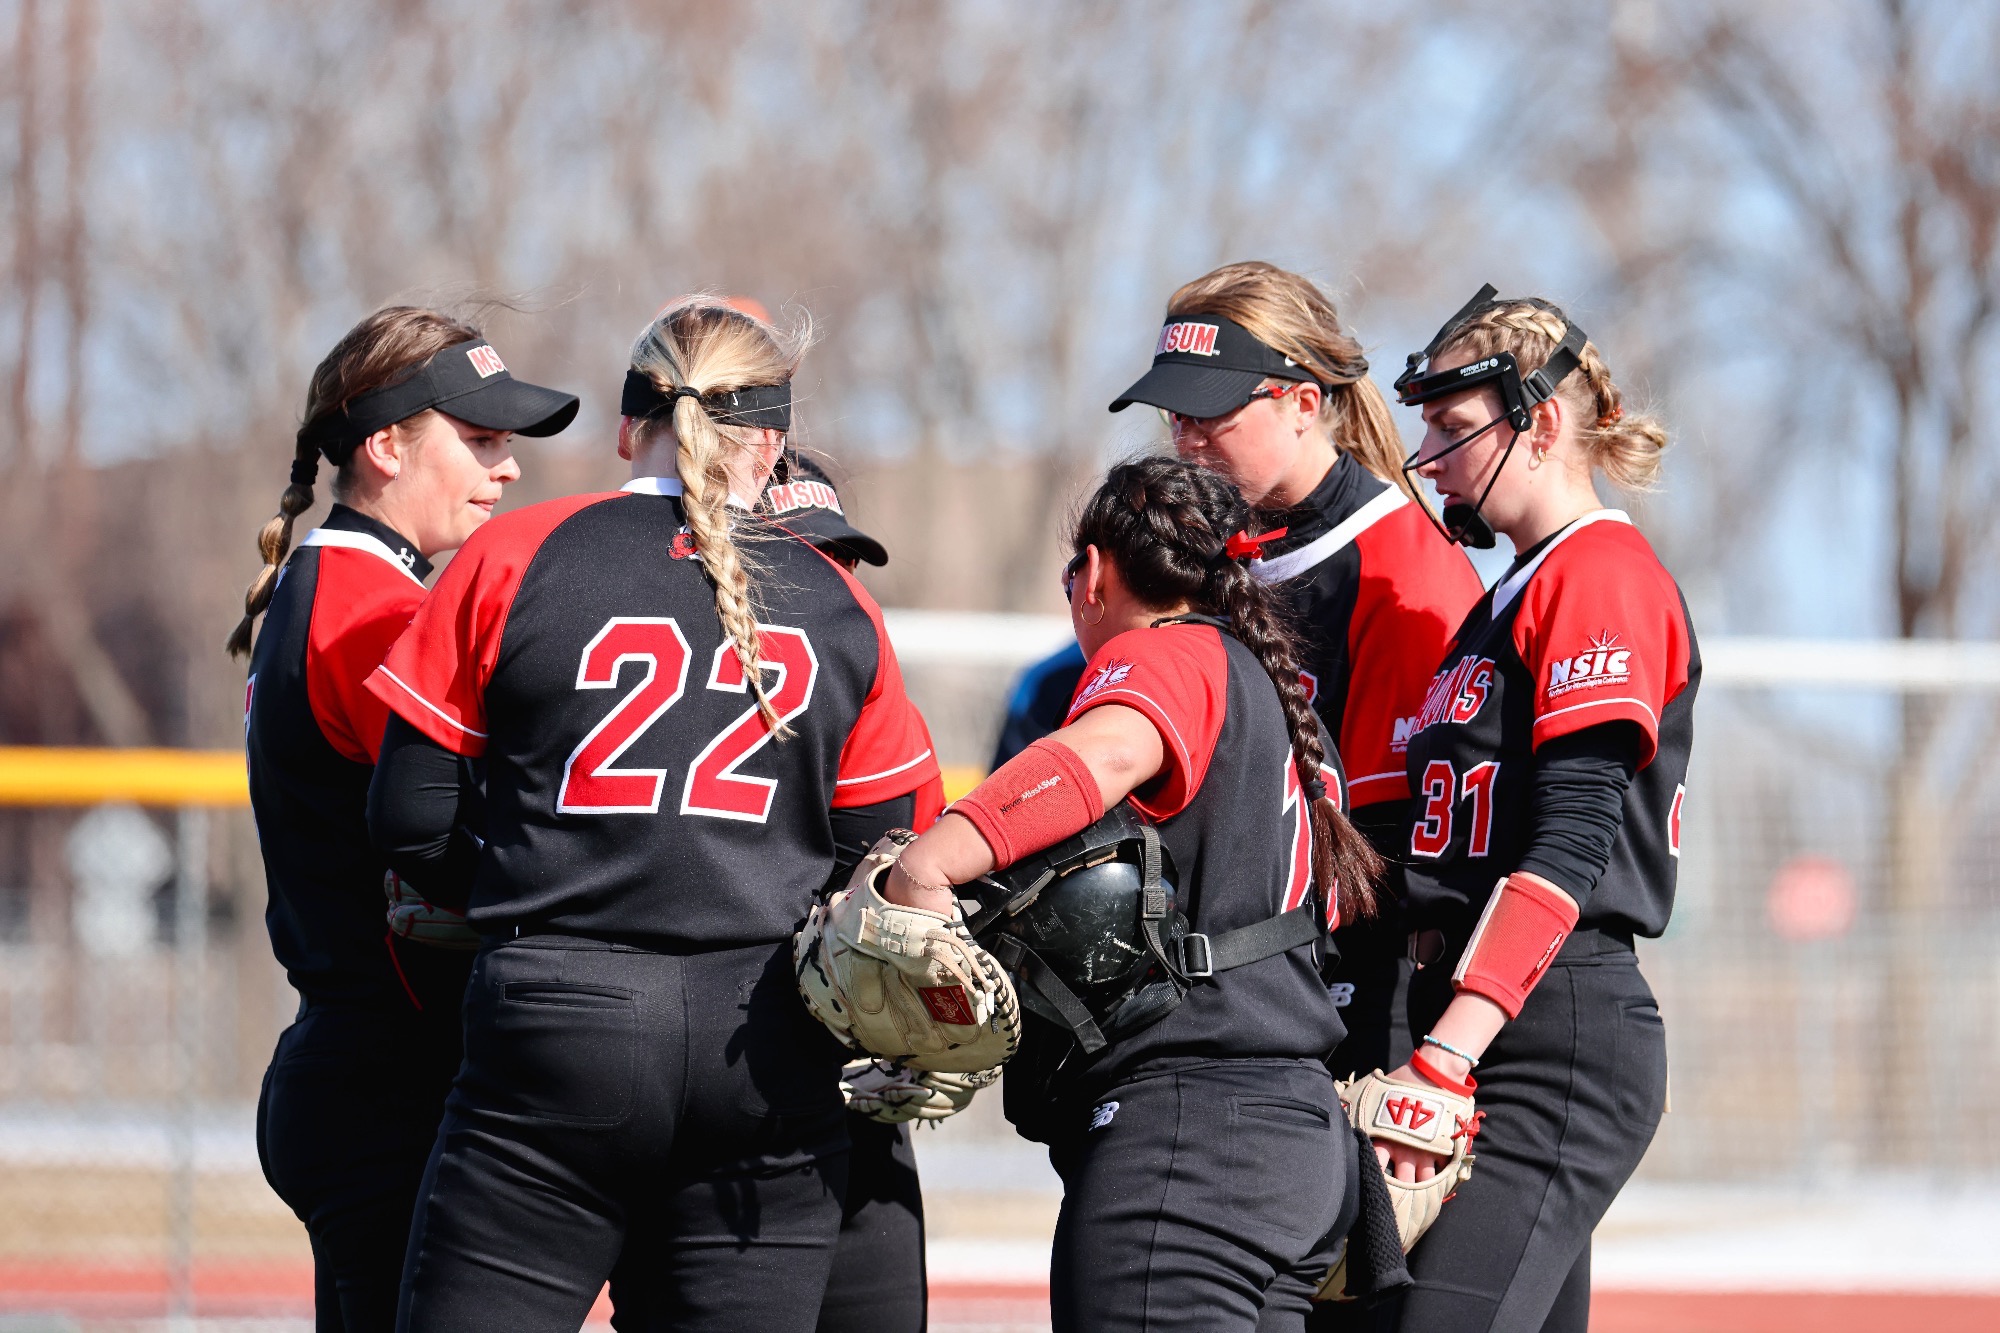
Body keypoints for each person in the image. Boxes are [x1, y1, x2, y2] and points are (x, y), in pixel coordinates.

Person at [363, 297, 943, 1332]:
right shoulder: (835, 598)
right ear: (768, 444)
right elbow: (878, 858)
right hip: (763, 1042)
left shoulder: (516, 553)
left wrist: (533, 899)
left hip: (559, 1013)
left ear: (628, 424)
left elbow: (410, 818)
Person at [881, 456, 1384, 1333]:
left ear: (1098, 569)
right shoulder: (1269, 688)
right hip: (1293, 1131)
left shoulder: (1170, 653)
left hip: (1191, 1143)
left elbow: (1106, 753)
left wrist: (927, 866)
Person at [235, 308, 578, 1333]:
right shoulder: (369, 607)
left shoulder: (339, 584)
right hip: (386, 1074)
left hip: (355, 1068)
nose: (504, 468)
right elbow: (471, 822)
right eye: (477, 440)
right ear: (386, 445)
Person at [1361, 289, 1697, 1332]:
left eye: (1454, 428)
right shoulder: (1509, 588)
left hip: (1544, 1022)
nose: (1428, 454)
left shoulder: (1595, 570)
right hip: (1493, 1011)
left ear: (1540, 421)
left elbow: (1572, 840)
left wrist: (1449, 1048)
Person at [1108, 262, 1486, 1078]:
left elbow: (1389, 853)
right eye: (1175, 414)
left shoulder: (1402, 568)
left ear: (1304, 403)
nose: (1186, 439)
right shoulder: (1206, 549)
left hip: (1356, 988)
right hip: (1230, 976)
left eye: (1211, 411)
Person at [756, 449, 929, 1333]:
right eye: (807, 559)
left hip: (859, 1092)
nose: (837, 581)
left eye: (844, 559)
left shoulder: (878, 695)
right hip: (737, 1086)